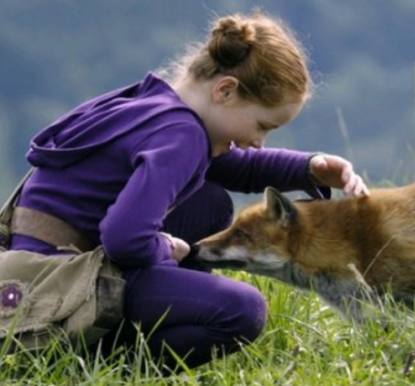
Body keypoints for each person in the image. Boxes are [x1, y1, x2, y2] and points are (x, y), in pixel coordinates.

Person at [9, 11, 368, 368]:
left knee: (207, 203)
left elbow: (231, 166)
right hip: (60, 283)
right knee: (243, 311)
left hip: (27, 267)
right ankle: (91, 361)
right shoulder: (181, 136)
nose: (258, 142)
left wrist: (311, 168)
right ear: (225, 90)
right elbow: (123, 237)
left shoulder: (154, 106)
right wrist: (165, 249)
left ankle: (150, 313)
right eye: (261, 125)